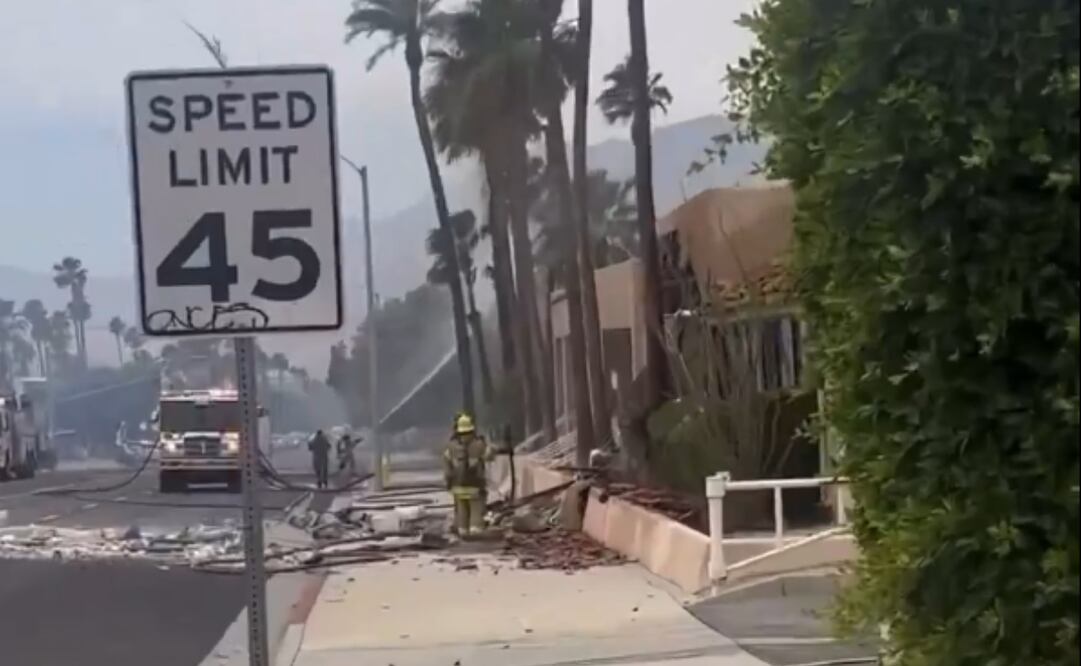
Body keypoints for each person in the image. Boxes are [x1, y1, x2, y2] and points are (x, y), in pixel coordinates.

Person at [443, 413, 489, 537]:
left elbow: (447, 469)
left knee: (461, 510)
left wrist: (448, 483)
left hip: (457, 486)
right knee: (476, 509)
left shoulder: (450, 447)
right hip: (475, 485)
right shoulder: (479, 444)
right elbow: (489, 455)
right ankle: (475, 530)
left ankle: (462, 530)